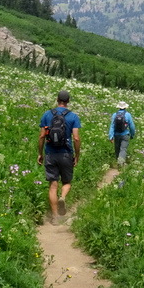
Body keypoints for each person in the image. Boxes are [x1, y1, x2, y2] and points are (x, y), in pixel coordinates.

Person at [38, 90, 81, 224]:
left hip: (50, 153)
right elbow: (76, 138)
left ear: (57, 100)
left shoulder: (47, 114)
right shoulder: (73, 117)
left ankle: (55, 217)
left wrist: (40, 153)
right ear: (68, 101)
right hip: (66, 153)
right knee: (67, 183)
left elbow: (41, 136)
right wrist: (77, 155)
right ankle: (62, 197)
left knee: (53, 185)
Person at [108, 100, 135, 166]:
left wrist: (111, 136)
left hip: (116, 135)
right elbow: (132, 126)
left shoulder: (115, 115)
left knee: (117, 149)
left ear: (119, 107)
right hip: (125, 134)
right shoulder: (128, 115)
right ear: (125, 107)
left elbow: (112, 126)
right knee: (123, 149)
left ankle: (118, 161)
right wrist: (132, 134)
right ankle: (120, 163)